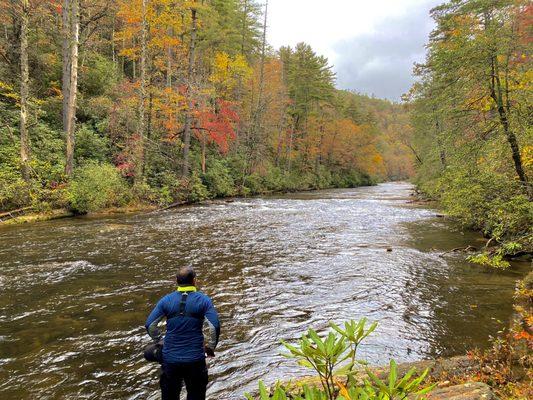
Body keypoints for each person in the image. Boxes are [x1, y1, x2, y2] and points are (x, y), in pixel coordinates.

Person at [145, 266, 220, 400]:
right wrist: (211, 347)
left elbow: (150, 325)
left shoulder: (166, 300)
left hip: (170, 360)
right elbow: (214, 326)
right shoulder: (204, 300)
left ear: (176, 281)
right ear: (194, 281)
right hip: (195, 360)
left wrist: (159, 340)